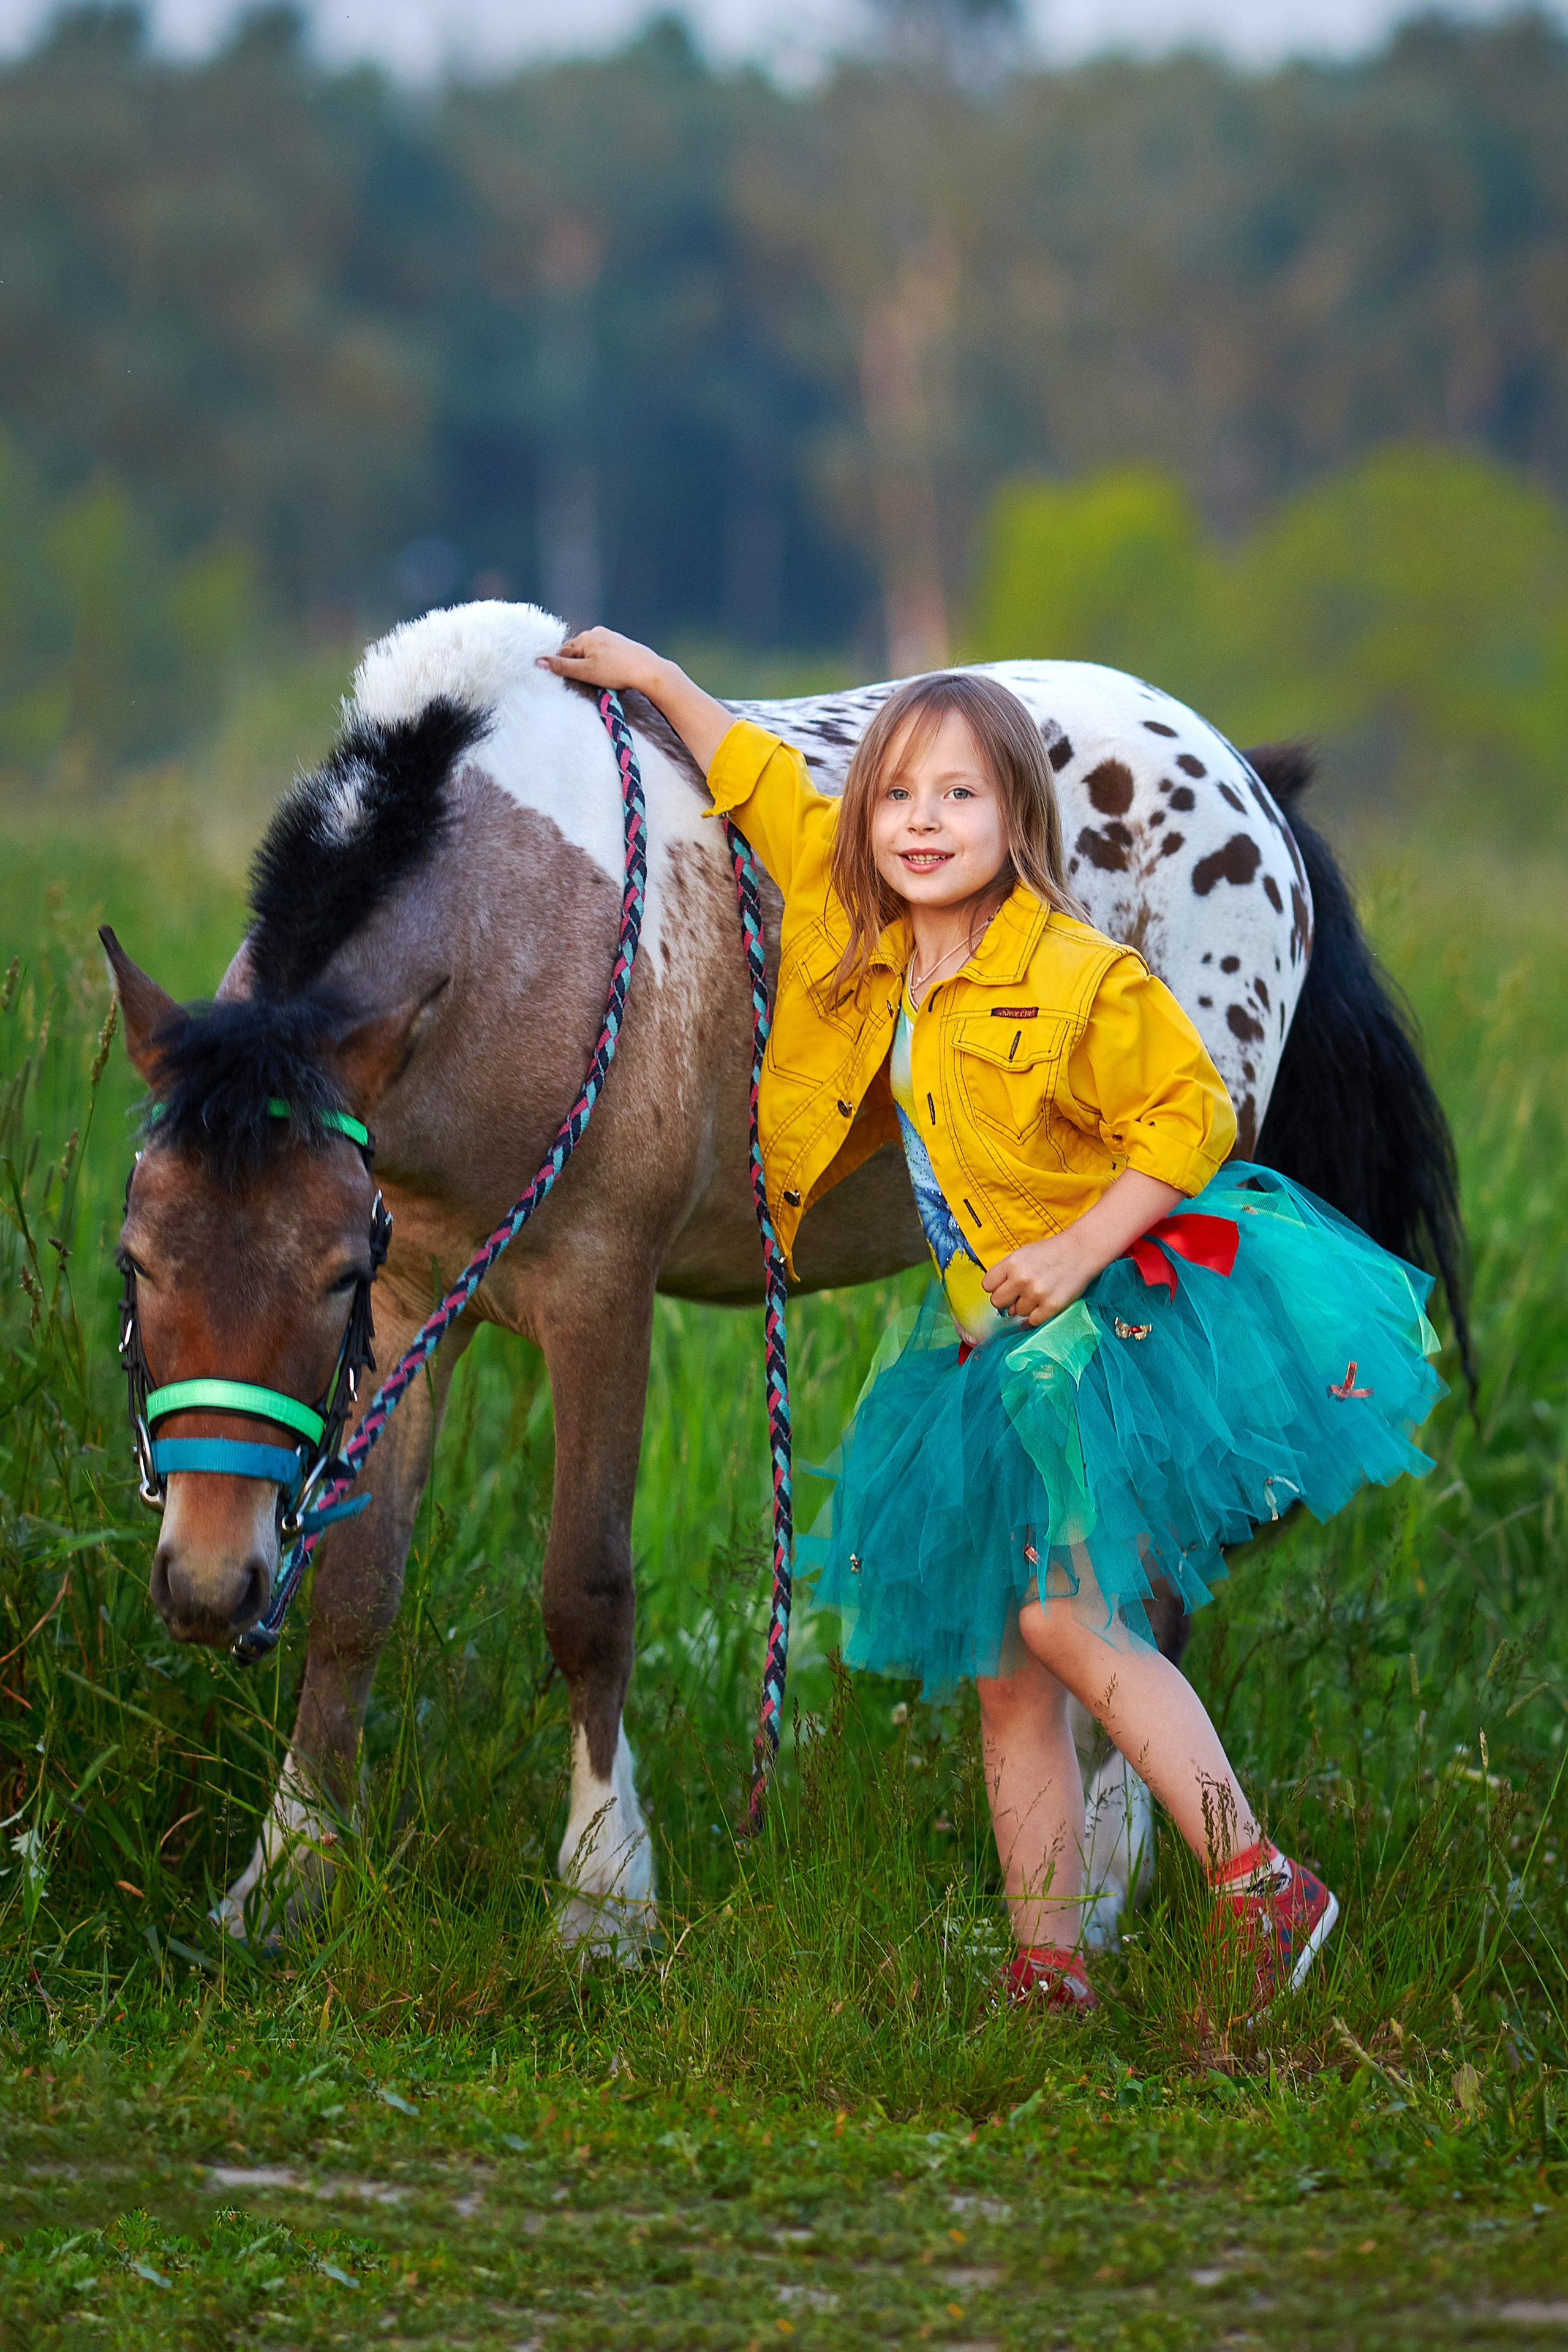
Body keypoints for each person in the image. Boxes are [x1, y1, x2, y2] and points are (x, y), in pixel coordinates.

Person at [540, 630, 1444, 2017]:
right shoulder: (862, 941)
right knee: (1007, 1674)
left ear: (1020, 822)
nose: (919, 825)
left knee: (1067, 1624)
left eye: (958, 798)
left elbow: (1191, 1119)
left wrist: (1079, 1243)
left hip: (1113, 1331)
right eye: (895, 797)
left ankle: (1262, 1882)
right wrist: (658, 684)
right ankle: (1049, 1964)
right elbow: (759, 784)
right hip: (994, 1354)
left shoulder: (1082, 978)